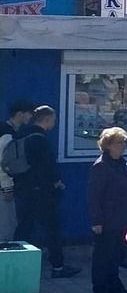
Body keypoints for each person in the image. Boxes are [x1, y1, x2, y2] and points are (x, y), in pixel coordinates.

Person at [15, 106, 72, 278]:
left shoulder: (21, 135)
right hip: (41, 192)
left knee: (24, 227)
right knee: (52, 229)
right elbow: (47, 166)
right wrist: (57, 182)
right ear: (46, 119)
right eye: (53, 120)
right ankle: (58, 267)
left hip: (23, 189)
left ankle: (16, 260)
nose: (53, 124)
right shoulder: (40, 139)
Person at [86, 127, 127, 293]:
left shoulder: (121, 163)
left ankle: (114, 284)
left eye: (124, 142)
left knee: (116, 254)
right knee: (102, 256)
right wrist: (96, 221)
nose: (123, 146)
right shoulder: (101, 166)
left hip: (121, 216)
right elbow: (94, 196)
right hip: (107, 218)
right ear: (108, 145)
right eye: (118, 143)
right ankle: (100, 289)